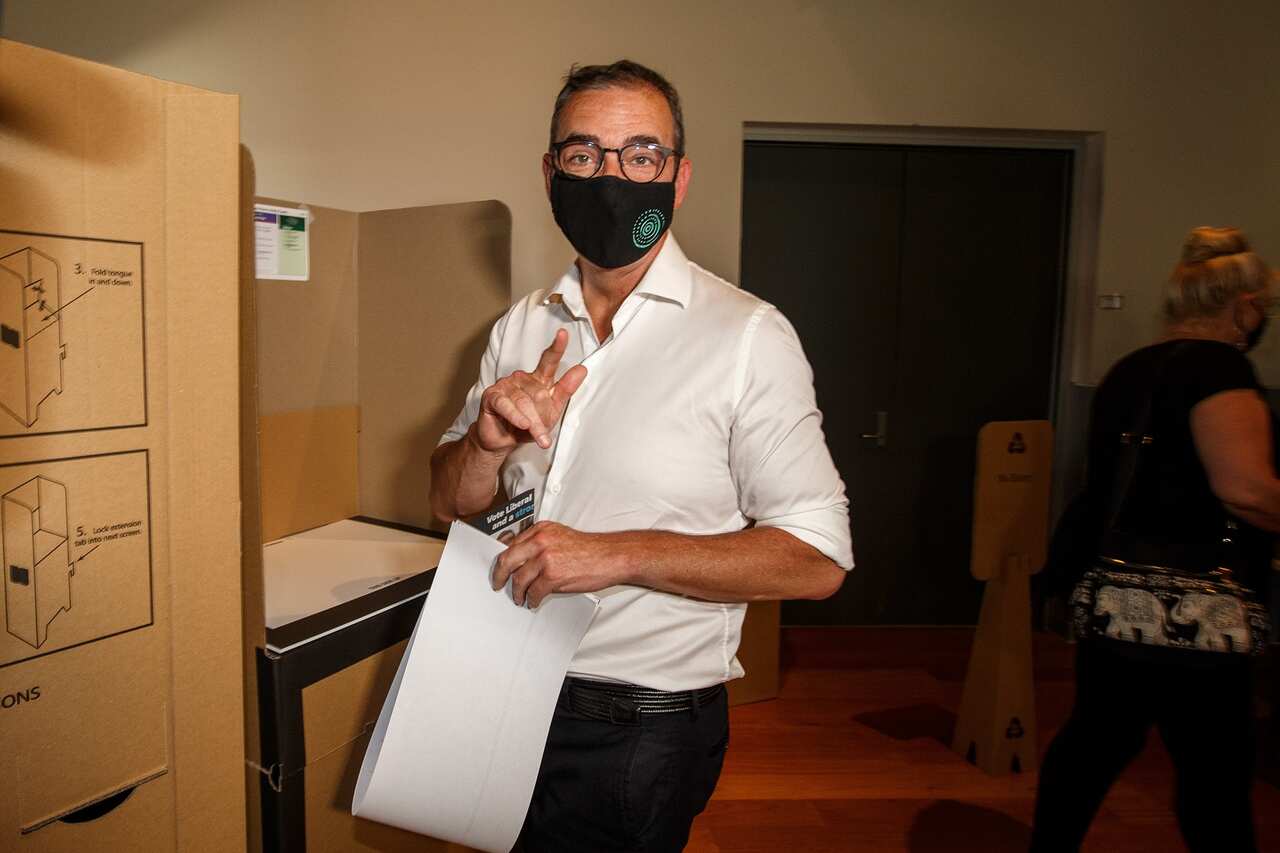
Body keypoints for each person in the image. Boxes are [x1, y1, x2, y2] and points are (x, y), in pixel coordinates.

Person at [428, 60, 853, 852]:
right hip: (495, 686)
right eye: (585, 155)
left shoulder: (747, 336)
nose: (613, 175)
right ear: (551, 173)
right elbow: (447, 502)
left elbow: (818, 557)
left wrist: (615, 554)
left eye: (642, 154)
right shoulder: (520, 326)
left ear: (678, 178)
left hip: (633, 730)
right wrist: (484, 447)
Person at [1030, 226, 1280, 852]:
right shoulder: (1222, 369)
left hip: (1116, 592)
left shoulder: (1129, 371)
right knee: (1215, 766)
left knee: (1095, 740)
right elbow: (1246, 490)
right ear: (1245, 309)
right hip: (1202, 609)